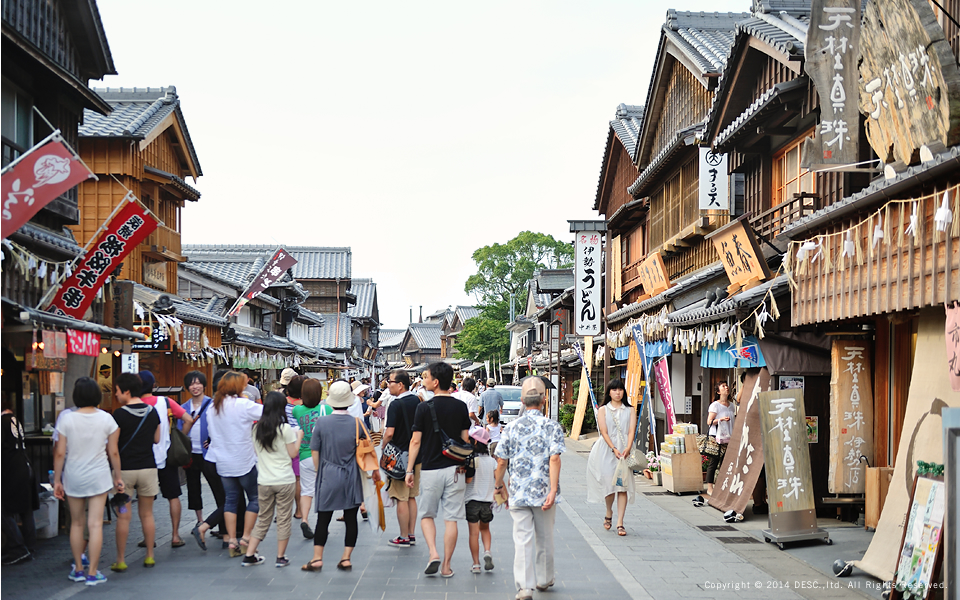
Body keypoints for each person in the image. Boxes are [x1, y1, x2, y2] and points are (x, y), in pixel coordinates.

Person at [494, 377, 565, 600]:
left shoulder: (511, 427)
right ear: (544, 401)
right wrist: (553, 490)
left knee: (522, 539)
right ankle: (544, 579)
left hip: (518, 491)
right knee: (545, 537)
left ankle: (525, 587)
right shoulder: (553, 427)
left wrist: (498, 485)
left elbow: (502, 461)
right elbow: (555, 459)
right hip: (544, 491)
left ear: (523, 401)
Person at [302, 381, 380, 573]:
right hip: (351, 474)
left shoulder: (322, 422)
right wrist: (375, 471)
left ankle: (317, 558)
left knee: (324, 518)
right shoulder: (357, 423)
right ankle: (346, 558)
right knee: (351, 517)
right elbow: (369, 448)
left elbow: (315, 451)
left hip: (328, 473)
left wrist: (321, 470)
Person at [53, 377, 124, 586]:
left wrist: (57, 480)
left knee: (76, 523)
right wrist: (118, 477)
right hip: (99, 476)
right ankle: (93, 573)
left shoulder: (66, 419)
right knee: (95, 525)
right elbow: (113, 452)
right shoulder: (107, 419)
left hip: (73, 475)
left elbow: (59, 453)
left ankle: (78, 568)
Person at [405, 362, 471, 578]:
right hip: (455, 470)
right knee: (451, 519)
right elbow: (465, 440)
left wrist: (408, 470)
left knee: (426, 515)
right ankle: (446, 566)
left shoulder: (423, 407)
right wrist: (464, 465)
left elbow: (415, 442)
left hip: (431, 469)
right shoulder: (461, 407)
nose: (423, 380)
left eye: (426, 377)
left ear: (435, 382)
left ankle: (433, 553)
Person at [206, 371, 263, 557]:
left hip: (223, 461)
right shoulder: (243, 405)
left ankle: (231, 540)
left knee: (230, 499)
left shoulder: (213, 407)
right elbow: (266, 414)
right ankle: (246, 537)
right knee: (254, 498)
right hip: (244, 459)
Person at [242, 392, 302, 567]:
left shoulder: (256, 429)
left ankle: (250, 554)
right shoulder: (285, 429)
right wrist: (298, 437)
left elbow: (256, 452)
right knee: (283, 518)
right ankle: (280, 557)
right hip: (284, 479)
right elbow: (292, 454)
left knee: (263, 518)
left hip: (264, 480)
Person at [110, 373, 161, 570]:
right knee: (147, 514)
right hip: (148, 469)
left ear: (126, 391)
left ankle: (121, 560)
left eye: (117, 390)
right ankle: (149, 556)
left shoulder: (119, 415)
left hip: (126, 472)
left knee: (123, 516)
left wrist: (117, 475)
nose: (115, 394)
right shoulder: (152, 412)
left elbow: (113, 448)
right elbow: (157, 439)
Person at [138, 370, 193, 548]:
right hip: (167, 455)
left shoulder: (134, 404)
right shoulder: (166, 402)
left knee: (145, 501)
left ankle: (148, 538)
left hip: (144, 460)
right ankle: (175, 535)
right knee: (173, 495)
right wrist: (178, 435)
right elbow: (188, 419)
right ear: (154, 386)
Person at [180, 371, 226, 550]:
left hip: (209, 454)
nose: (195, 386)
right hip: (191, 453)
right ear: (187, 387)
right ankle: (200, 521)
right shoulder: (183, 407)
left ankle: (220, 524)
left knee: (218, 489)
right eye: (191, 384)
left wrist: (213, 439)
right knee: (193, 488)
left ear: (204, 385)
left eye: (198, 383)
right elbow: (180, 432)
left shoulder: (213, 404)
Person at [585, 379, 636, 536]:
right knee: (608, 484)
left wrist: (627, 448)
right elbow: (604, 432)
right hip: (607, 451)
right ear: (609, 392)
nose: (617, 392)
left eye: (620, 390)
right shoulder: (603, 410)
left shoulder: (630, 410)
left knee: (622, 486)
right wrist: (614, 448)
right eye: (614, 390)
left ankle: (620, 523)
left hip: (624, 451)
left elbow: (631, 431)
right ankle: (609, 511)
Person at [381, 370, 419, 547]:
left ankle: (403, 536)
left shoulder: (396, 404)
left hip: (399, 458)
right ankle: (411, 534)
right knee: (411, 497)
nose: (388, 384)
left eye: (390, 382)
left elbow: (389, 433)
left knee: (401, 497)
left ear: (400, 384)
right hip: (415, 456)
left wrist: (383, 445)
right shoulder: (418, 401)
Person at [2, 397, 38, 565]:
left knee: (4, 510)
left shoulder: (2, 422)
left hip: (12, 469)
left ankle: (17, 547)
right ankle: (30, 546)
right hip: (25, 465)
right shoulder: (15, 420)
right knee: (26, 508)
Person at [293, 378, 332, 538]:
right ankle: (322, 524)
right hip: (323, 455)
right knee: (324, 491)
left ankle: (304, 519)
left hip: (304, 455)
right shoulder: (327, 410)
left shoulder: (297, 411)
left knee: (307, 491)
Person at [464, 425, 496, 575]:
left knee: (473, 533)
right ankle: (487, 551)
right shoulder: (492, 461)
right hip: (487, 502)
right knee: (485, 529)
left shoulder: (471, 460)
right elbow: (499, 481)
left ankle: (476, 564)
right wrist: (504, 496)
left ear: (475, 443)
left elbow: (468, 481)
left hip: (472, 501)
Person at [705, 382, 735, 496]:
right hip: (716, 436)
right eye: (723, 386)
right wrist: (721, 419)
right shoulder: (715, 405)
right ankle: (709, 487)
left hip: (728, 436)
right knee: (714, 461)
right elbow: (709, 422)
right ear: (718, 391)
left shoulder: (731, 405)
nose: (726, 387)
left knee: (725, 462)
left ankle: (722, 486)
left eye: (726, 385)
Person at [284, 375, 304, 523]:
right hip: (299, 443)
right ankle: (298, 510)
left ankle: (283, 511)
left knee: (285, 477)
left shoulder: (283, 403)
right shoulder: (304, 406)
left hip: (283, 442)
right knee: (297, 479)